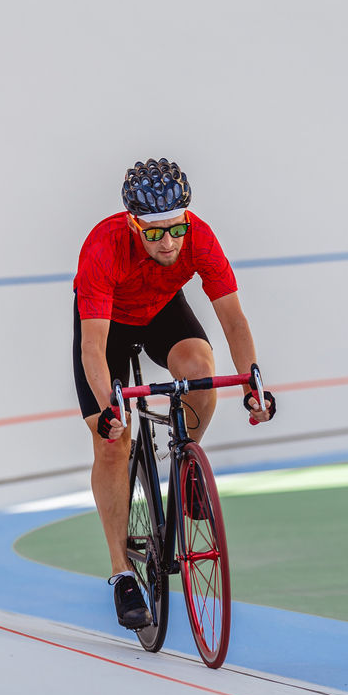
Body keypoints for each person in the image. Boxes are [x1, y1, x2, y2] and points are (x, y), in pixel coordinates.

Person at [72, 158, 277, 630]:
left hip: (162, 309)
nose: (168, 243)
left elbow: (234, 321)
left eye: (176, 229)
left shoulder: (198, 237)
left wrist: (253, 384)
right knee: (111, 442)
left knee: (201, 373)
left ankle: (186, 465)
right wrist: (109, 409)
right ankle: (122, 574)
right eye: (154, 233)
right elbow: (92, 348)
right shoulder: (103, 247)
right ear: (133, 225)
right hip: (107, 325)